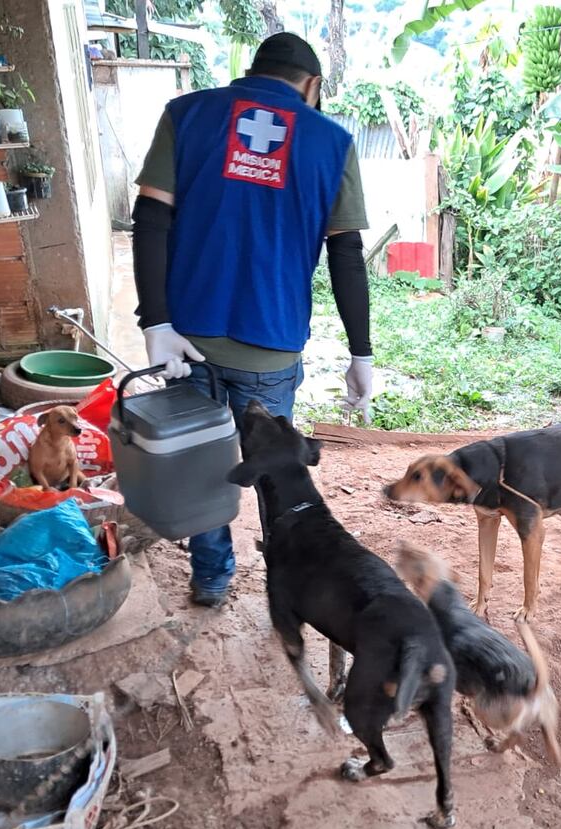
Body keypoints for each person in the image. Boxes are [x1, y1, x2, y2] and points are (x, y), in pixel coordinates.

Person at [131, 32, 373, 607]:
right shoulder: (331, 141)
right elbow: (346, 254)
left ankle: (212, 575)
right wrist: (359, 353)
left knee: (197, 459)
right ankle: (284, 587)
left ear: (252, 71)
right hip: (273, 346)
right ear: (311, 86)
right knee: (274, 475)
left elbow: (150, 220)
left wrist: (155, 321)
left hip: (187, 340)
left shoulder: (186, 115)